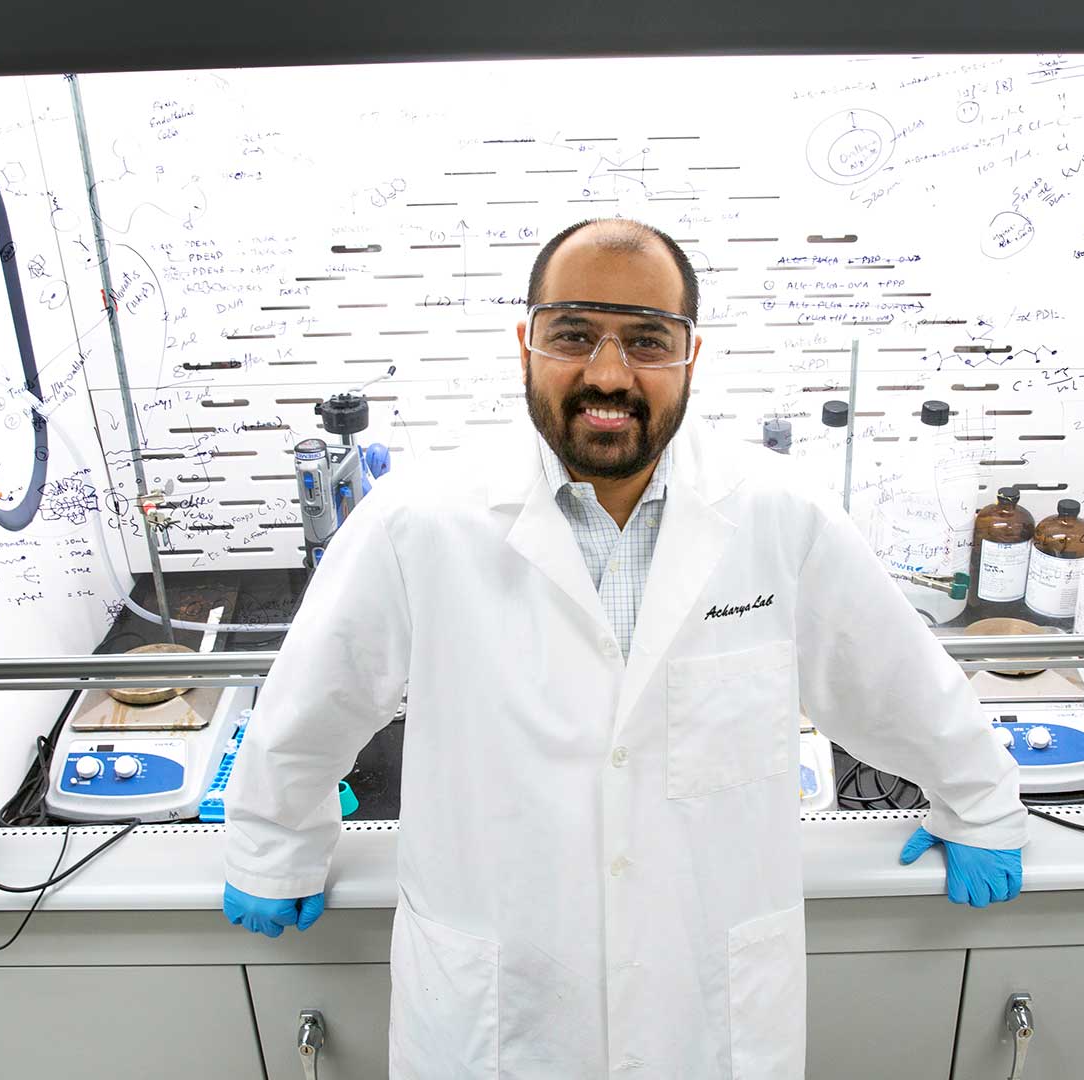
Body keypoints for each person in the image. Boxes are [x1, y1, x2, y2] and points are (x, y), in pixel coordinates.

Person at [223, 217, 1026, 1078]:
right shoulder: (418, 521)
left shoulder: (780, 515)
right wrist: (276, 840)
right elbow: (320, 694)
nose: (608, 373)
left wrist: (974, 798)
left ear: (691, 355)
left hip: (705, 1007)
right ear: (525, 343)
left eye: (647, 340)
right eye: (573, 334)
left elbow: (887, 677)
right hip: (502, 1005)